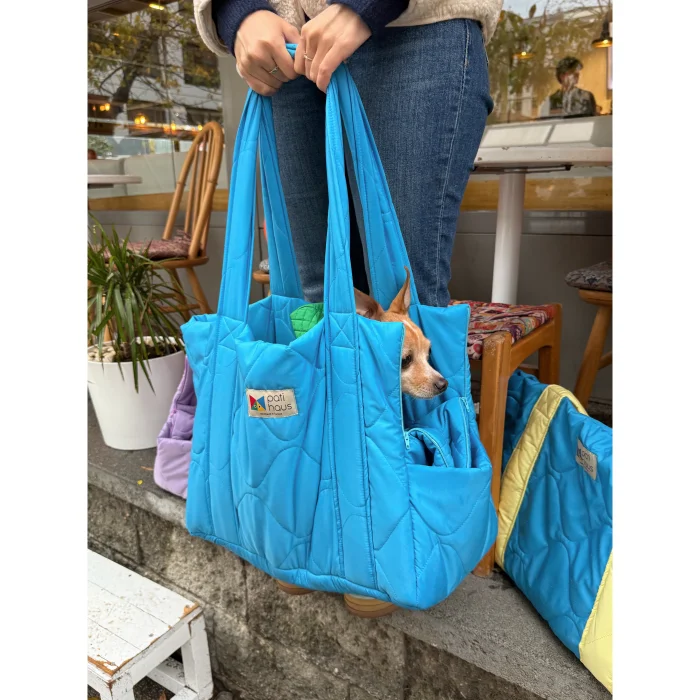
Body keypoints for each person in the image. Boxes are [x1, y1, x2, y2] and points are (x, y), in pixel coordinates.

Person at [194, 0, 501, 307]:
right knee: (315, 299)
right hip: (287, 45)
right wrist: (238, 9)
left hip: (415, 28)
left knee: (404, 297)